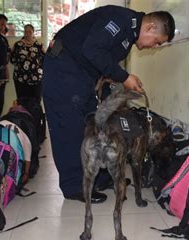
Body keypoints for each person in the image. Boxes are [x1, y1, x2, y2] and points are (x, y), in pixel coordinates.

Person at [42, 5, 175, 203]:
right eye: (156, 42)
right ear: (151, 27)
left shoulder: (128, 38)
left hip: (81, 76)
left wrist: (108, 95)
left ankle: (102, 178)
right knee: (69, 128)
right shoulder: (119, 19)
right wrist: (124, 76)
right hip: (63, 69)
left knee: (96, 128)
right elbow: (92, 48)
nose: (153, 47)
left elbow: (102, 64)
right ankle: (75, 186)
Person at [10, 24, 45, 101]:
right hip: (20, 79)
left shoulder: (39, 45)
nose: (28, 34)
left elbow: (44, 60)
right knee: (22, 102)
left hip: (36, 79)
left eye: (30, 32)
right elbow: (12, 60)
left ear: (33, 33)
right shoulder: (18, 45)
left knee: (35, 102)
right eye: (26, 32)